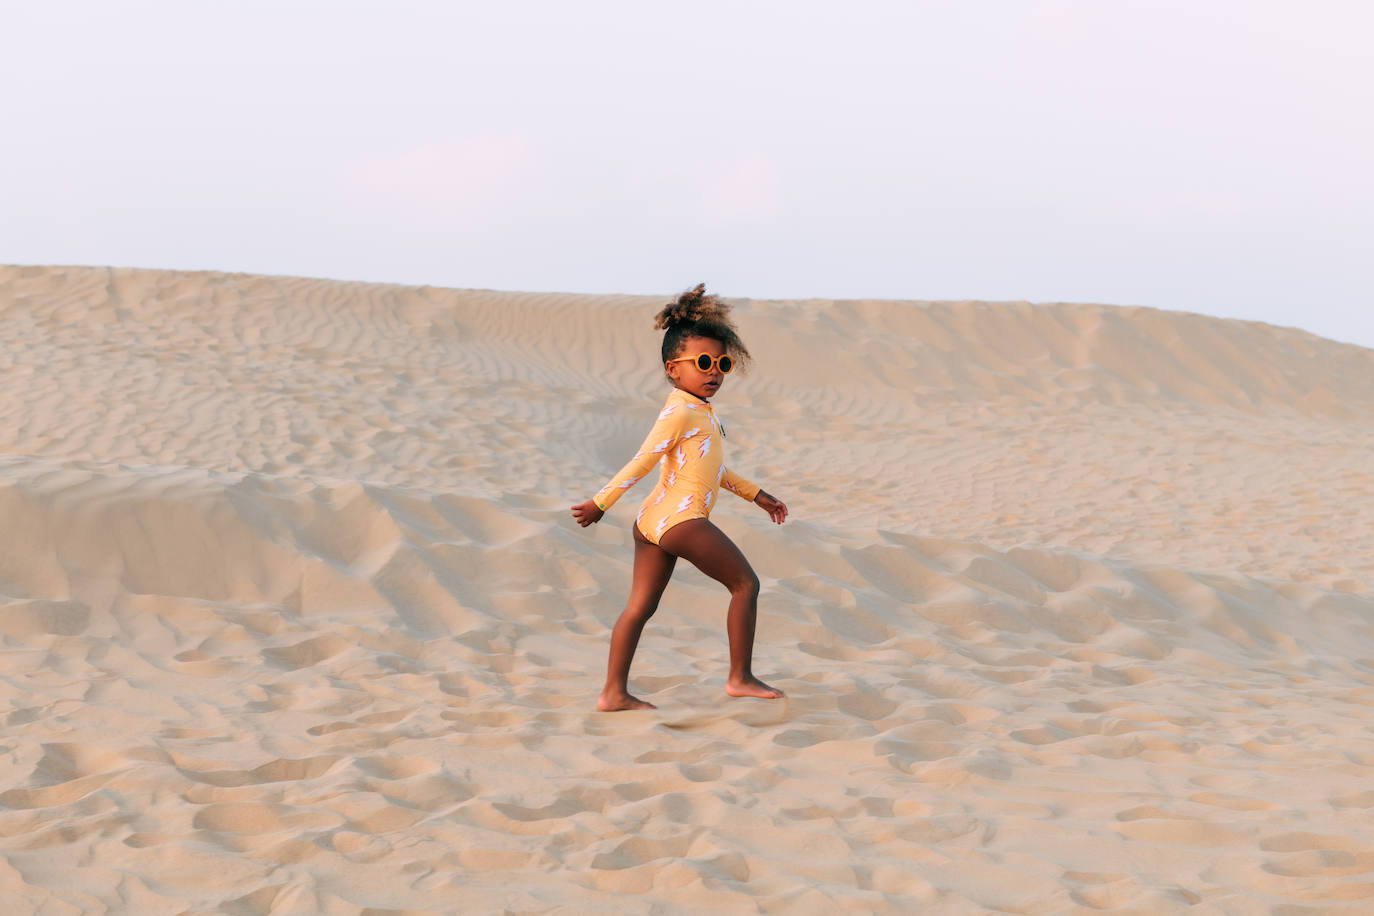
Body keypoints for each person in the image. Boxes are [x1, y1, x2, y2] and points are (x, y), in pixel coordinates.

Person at [570, 284, 789, 711]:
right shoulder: (681, 411)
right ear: (674, 368)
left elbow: (711, 470)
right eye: (703, 363)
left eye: (722, 363)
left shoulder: (698, 411)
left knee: (639, 608)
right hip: (679, 520)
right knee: (746, 585)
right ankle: (739, 677)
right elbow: (643, 460)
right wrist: (601, 502)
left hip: (652, 522)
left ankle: (613, 693)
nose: (714, 372)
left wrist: (757, 496)